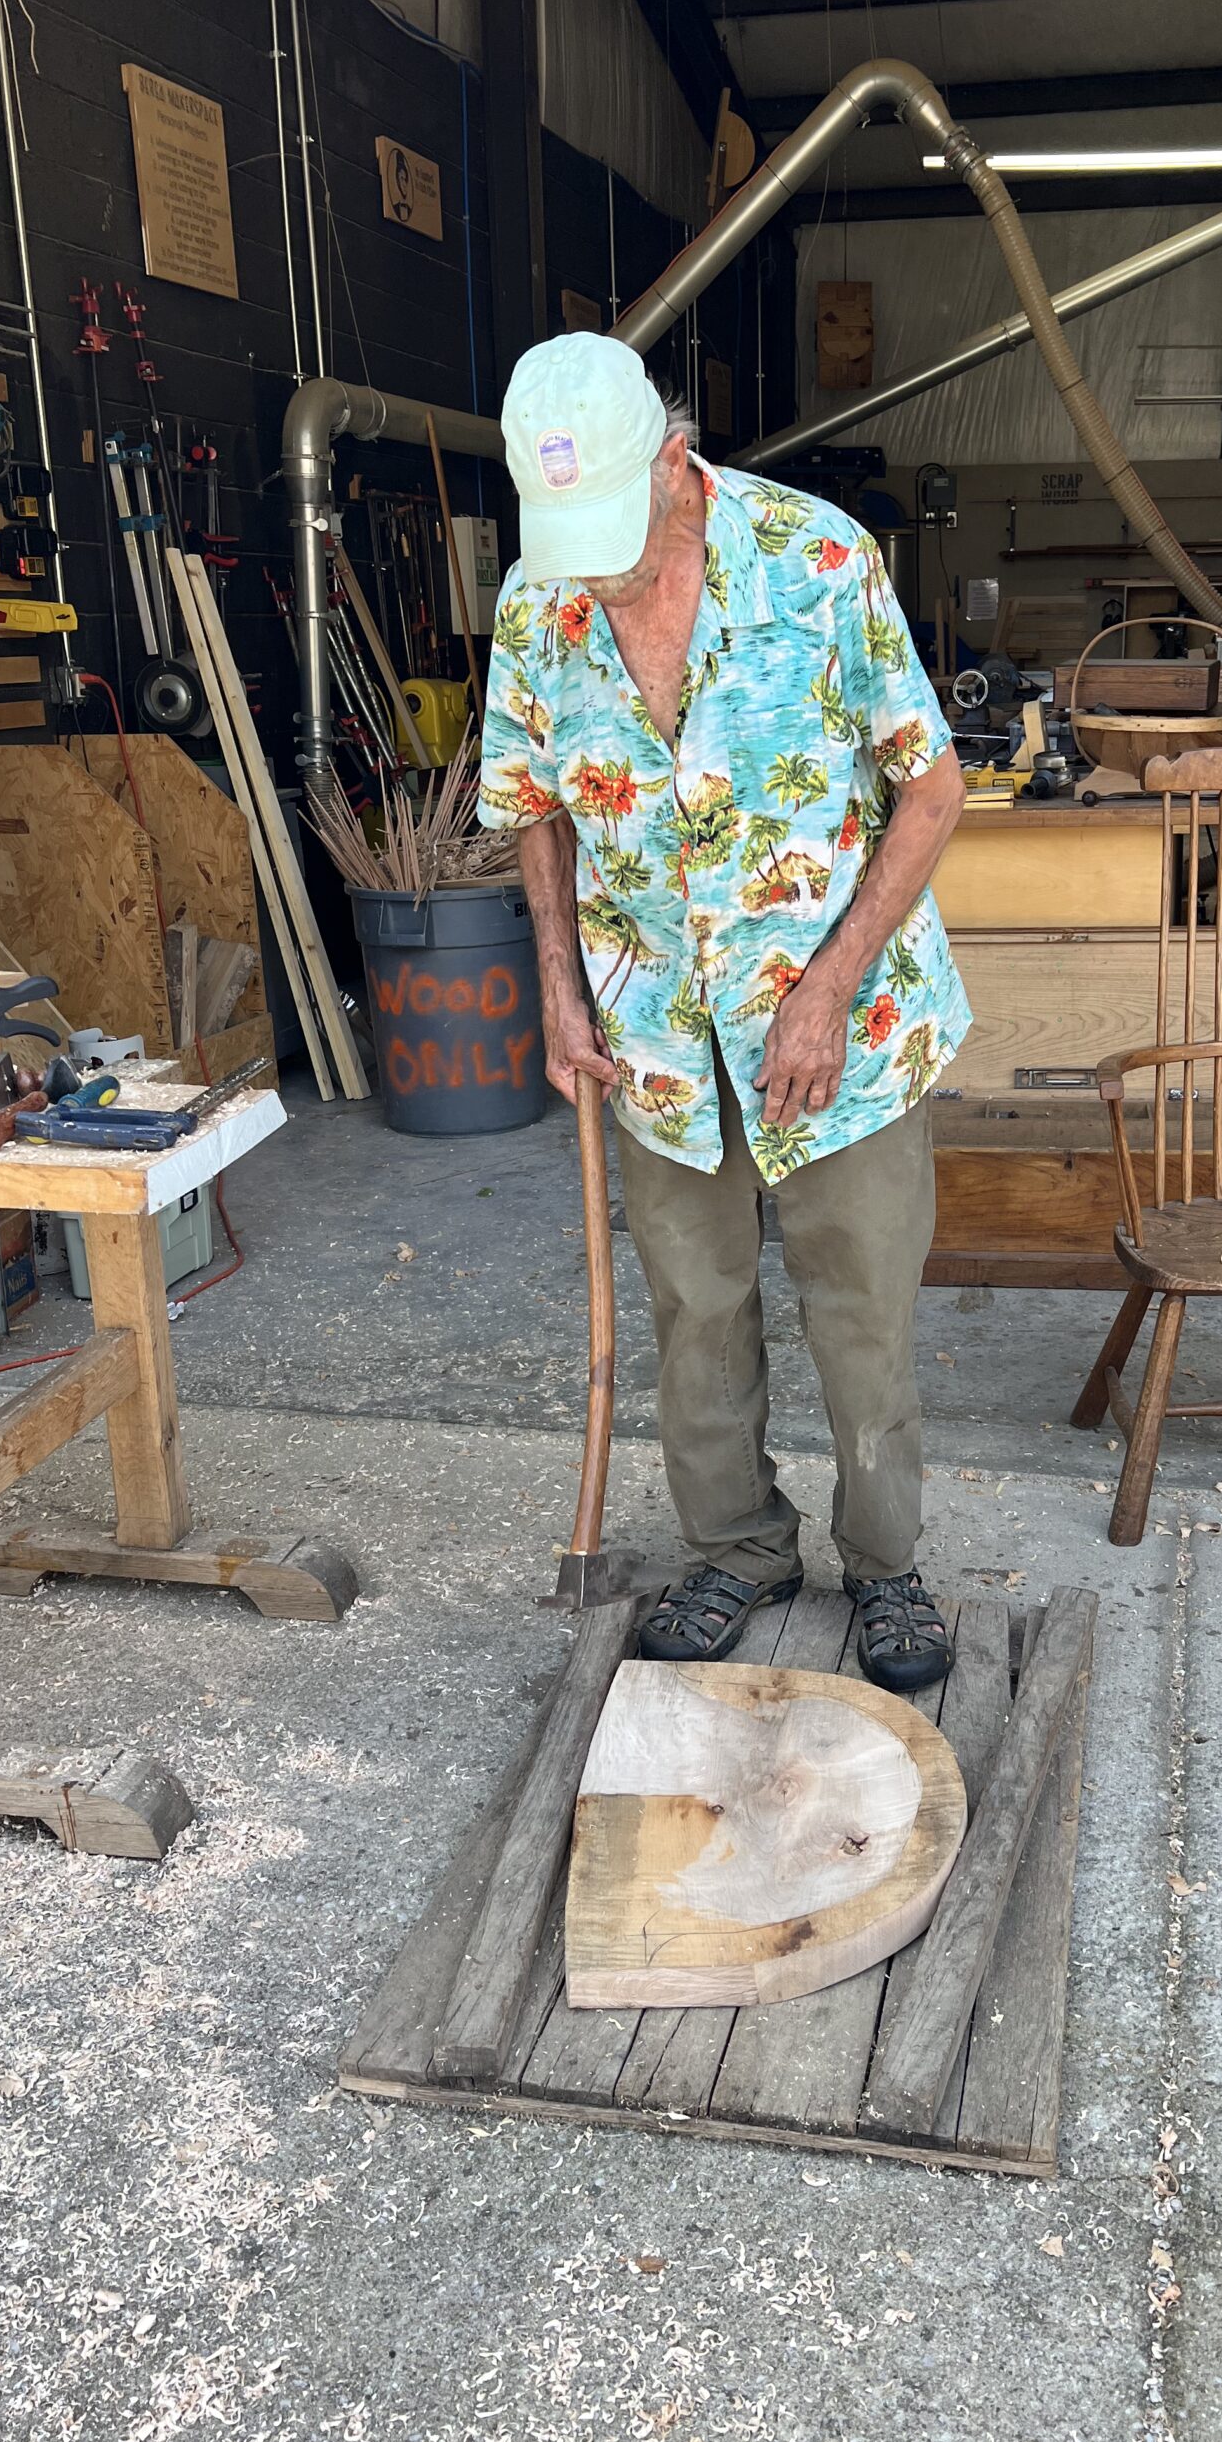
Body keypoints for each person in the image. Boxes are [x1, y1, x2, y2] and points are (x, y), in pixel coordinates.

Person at [478, 332, 971, 1691]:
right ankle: (738, 1549)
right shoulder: (537, 602)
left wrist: (827, 986)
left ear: (675, 465)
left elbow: (931, 791)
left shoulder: (818, 561)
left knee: (860, 1312)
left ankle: (886, 1564)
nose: (595, 576)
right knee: (696, 1311)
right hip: (654, 1035)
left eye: (614, 536)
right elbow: (531, 805)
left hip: (844, 1033)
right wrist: (559, 986)